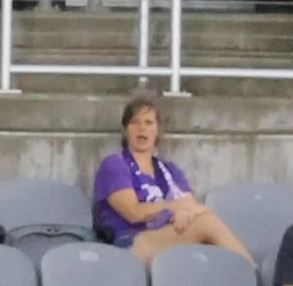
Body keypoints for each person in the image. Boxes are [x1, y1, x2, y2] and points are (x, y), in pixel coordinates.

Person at [89, 97, 255, 265]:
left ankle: (243, 275)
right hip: (129, 242)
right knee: (207, 223)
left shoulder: (169, 169)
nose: (142, 128)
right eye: (135, 122)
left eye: (148, 123)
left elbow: (191, 205)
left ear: (157, 131)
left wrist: (183, 214)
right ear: (126, 130)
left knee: (206, 230)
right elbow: (134, 213)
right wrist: (174, 208)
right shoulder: (115, 164)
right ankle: (252, 273)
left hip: (168, 234)